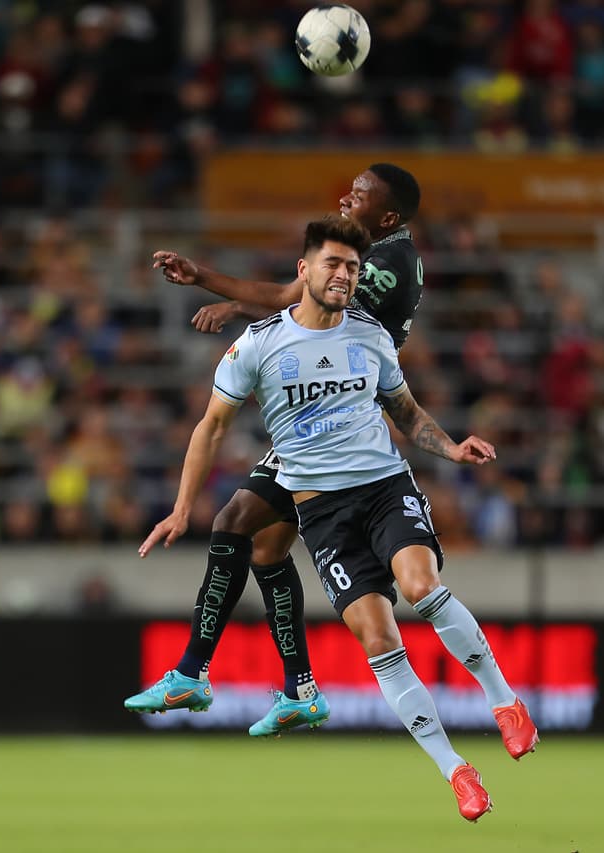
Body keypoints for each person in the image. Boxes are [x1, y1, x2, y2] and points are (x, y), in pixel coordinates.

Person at [137, 216, 538, 821]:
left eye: (352, 266)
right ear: (304, 271)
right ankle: (457, 770)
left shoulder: (371, 334)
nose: (345, 275)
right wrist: (179, 508)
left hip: (383, 488)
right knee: (379, 641)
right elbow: (211, 426)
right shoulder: (260, 344)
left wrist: (450, 447)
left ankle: (505, 703)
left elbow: (404, 412)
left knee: (421, 587)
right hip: (321, 514)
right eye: (333, 263)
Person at [132, 164, 426, 737]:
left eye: (360, 194)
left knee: (234, 520)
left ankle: (193, 672)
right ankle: (299, 690)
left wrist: (226, 299)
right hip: (330, 411)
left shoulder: (383, 264)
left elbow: (301, 301)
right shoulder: (385, 252)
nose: (347, 195)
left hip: (343, 428)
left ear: (386, 217)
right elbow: (298, 303)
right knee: (264, 547)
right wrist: (209, 284)